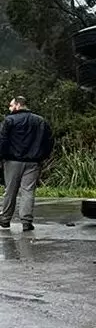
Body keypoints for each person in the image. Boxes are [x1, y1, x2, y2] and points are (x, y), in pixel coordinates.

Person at [0, 96, 54, 232]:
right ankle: (26, 221)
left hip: (12, 161)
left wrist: (2, 157)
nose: (10, 109)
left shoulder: (9, 120)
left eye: (11, 106)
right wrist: (42, 157)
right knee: (28, 191)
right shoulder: (40, 121)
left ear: (18, 105)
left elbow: (2, 140)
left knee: (10, 191)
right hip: (33, 162)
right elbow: (49, 141)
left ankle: (5, 219)